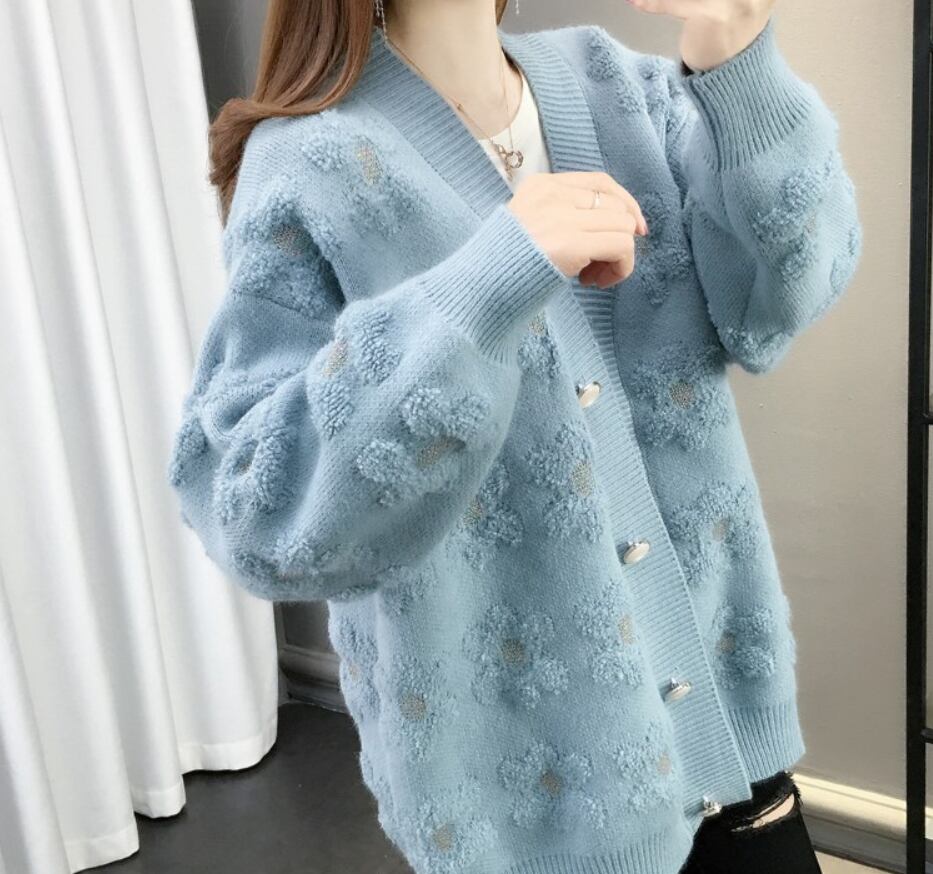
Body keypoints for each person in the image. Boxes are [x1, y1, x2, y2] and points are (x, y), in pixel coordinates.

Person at [168, 1, 860, 872]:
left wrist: (736, 57)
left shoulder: (619, 85)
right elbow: (258, 514)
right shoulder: (309, 162)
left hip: (739, 770)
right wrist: (487, 283)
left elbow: (777, 301)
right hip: (532, 822)